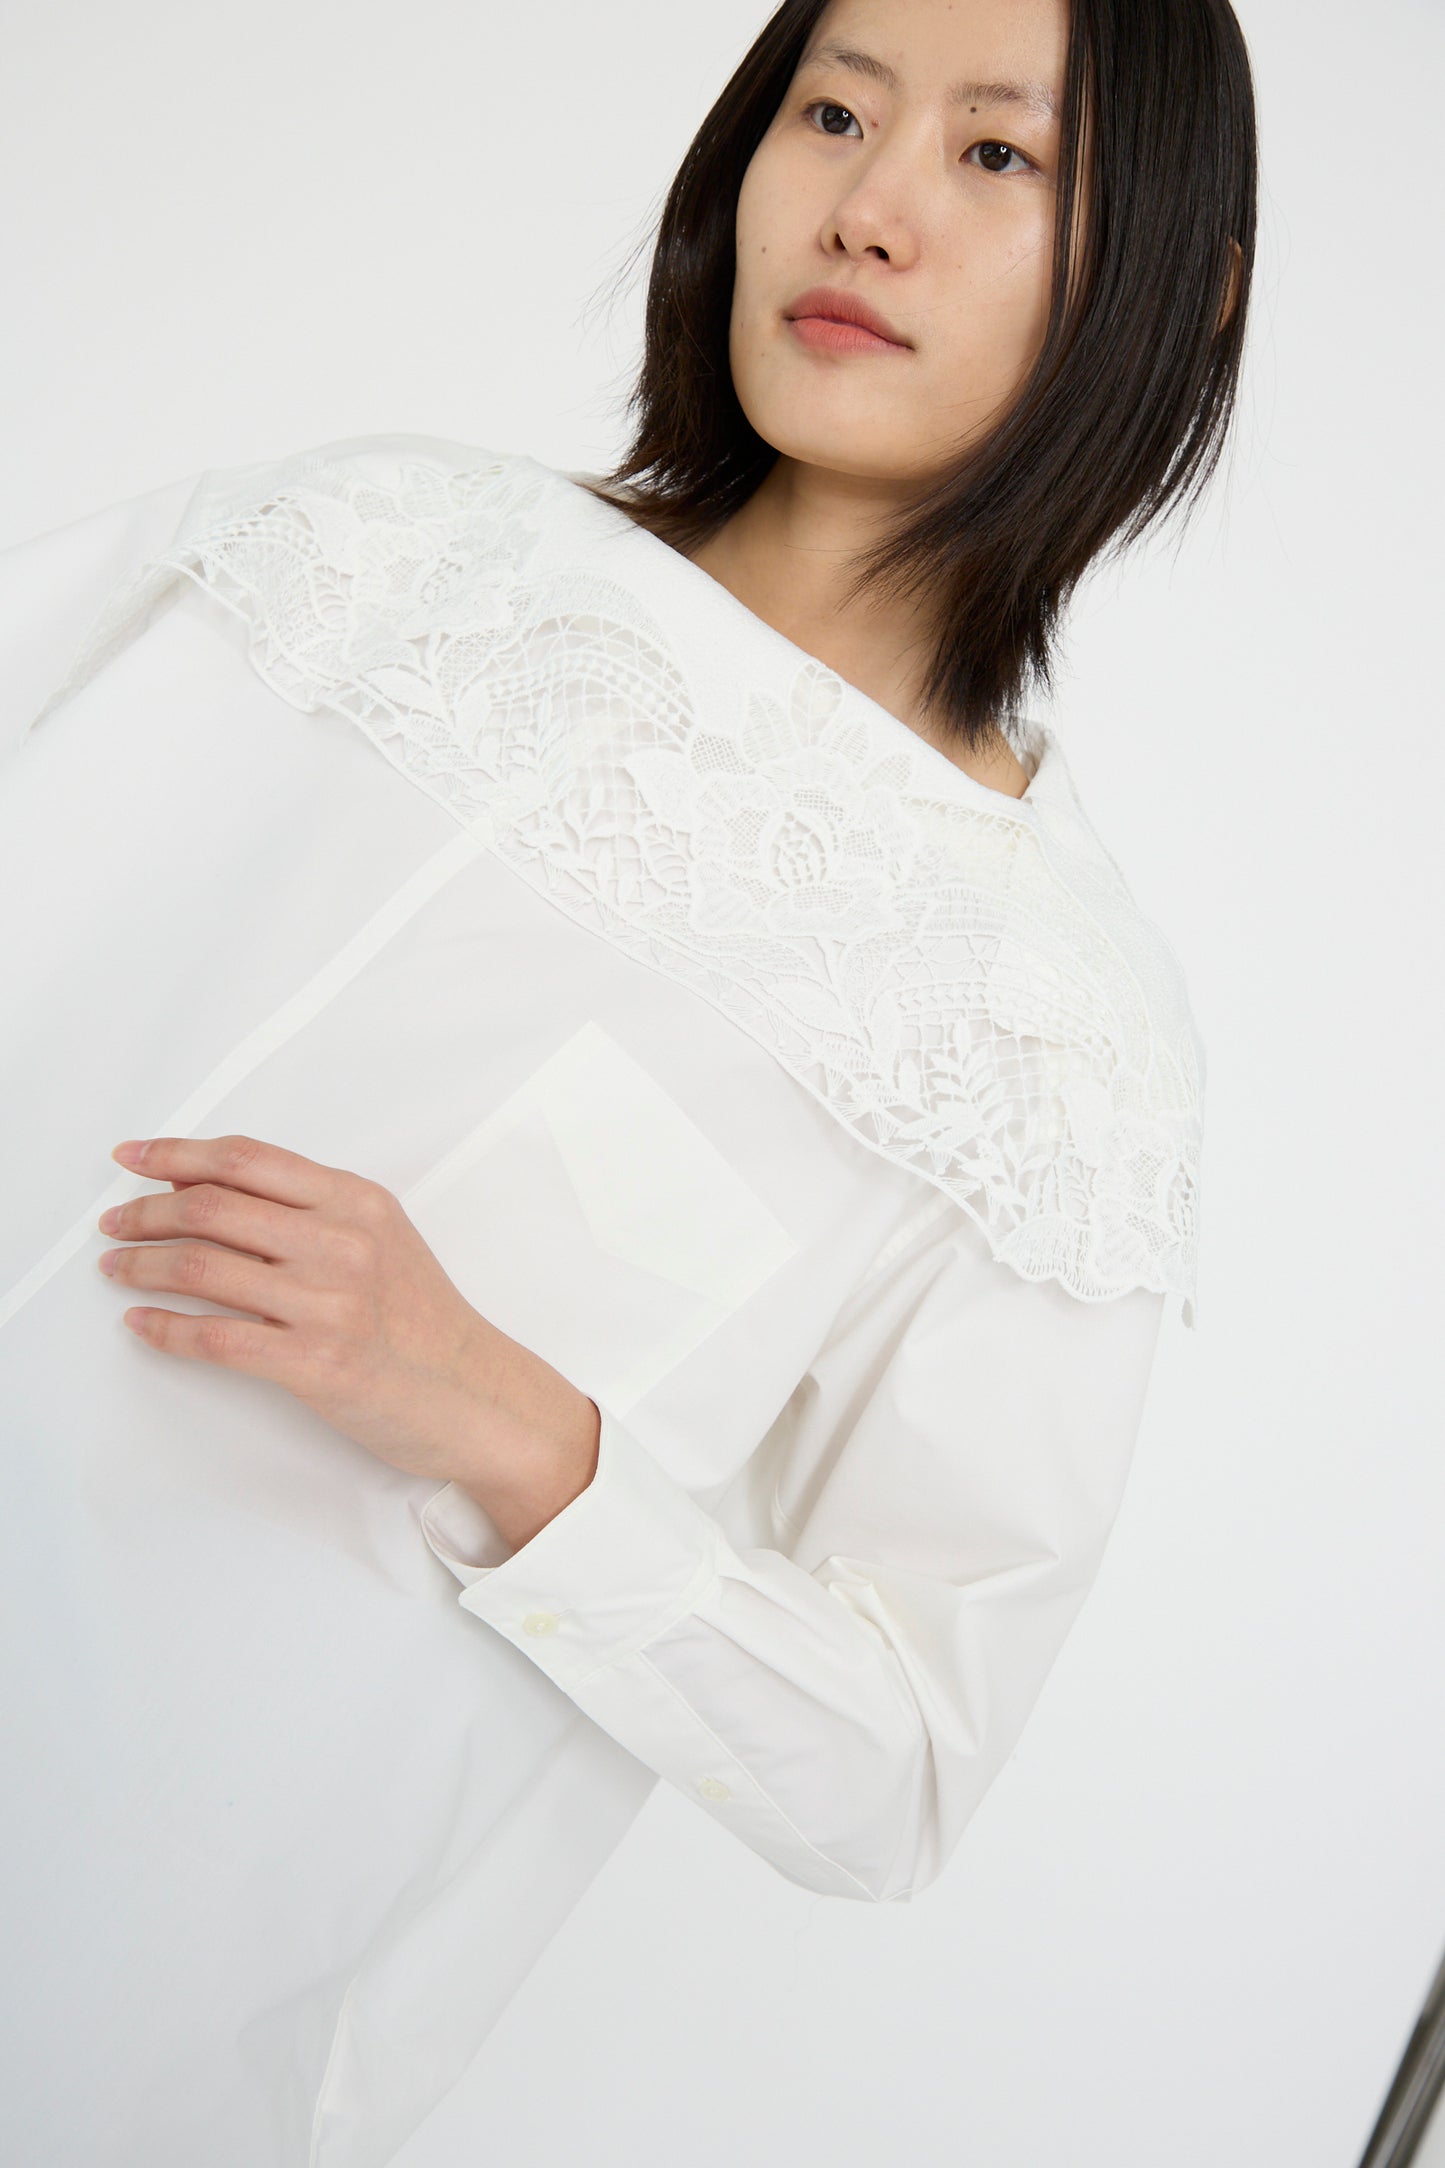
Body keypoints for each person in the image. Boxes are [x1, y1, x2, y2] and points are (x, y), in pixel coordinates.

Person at [0, 0, 1255, 2161]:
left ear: (1176, 276)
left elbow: (898, 1771)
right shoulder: (360, 548)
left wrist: (502, 1415)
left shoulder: (1049, 1035)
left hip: (107, 1996)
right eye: (834, 109)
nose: (869, 207)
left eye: (995, 157)